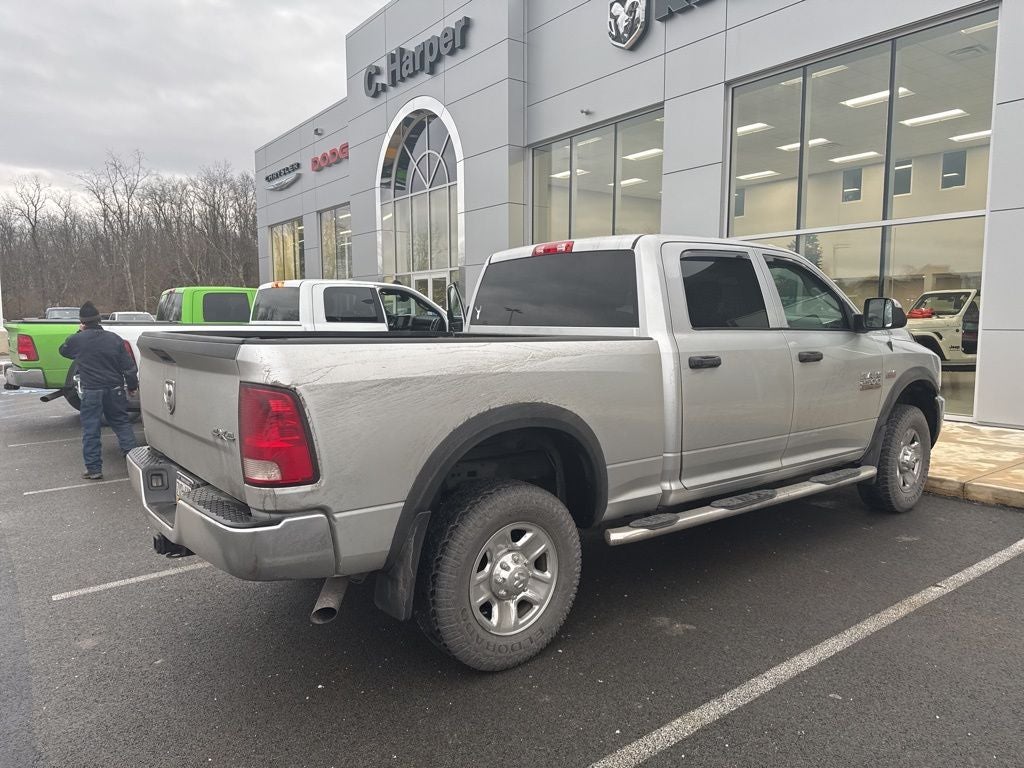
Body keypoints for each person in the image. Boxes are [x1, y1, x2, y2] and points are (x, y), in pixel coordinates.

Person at [58, 301, 138, 480]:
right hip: (115, 389)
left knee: (91, 429)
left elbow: (63, 351)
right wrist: (132, 386)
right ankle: (133, 464)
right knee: (121, 424)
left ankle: (94, 469)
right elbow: (129, 367)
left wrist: (79, 332)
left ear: (82, 322)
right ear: (99, 319)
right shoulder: (114, 339)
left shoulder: (77, 340)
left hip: (92, 391)